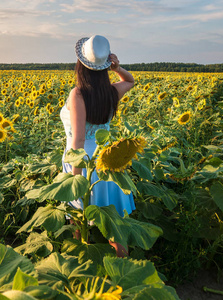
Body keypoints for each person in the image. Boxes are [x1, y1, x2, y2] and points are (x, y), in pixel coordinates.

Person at [60, 35, 135, 257]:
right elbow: (130, 81)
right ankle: (124, 268)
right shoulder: (111, 92)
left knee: (78, 221)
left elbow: (79, 140)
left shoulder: (78, 94)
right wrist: (118, 68)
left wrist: (75, 178)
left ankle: (82, 262)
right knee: (113, 224)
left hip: (83, 161)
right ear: (104, 68)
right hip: (107, 160)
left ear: (80, 65)